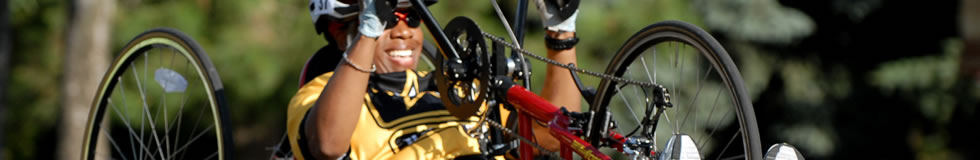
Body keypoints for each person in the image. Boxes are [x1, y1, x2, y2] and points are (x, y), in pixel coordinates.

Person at [286, 0, 582, 159]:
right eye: (388, 20)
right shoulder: (318, 93)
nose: (403, 32)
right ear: (341, 34)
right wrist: (368, 33)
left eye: (412, 19)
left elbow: (551, 137)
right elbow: (327, 145)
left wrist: (561, 34)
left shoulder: (460, 89)